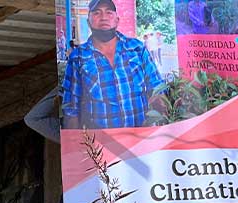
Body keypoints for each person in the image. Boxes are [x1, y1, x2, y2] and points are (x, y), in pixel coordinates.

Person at [61, 0, 165, 129]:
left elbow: (157, 87)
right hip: (100, 143)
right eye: (97, 13)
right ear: (88, 22)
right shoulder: (78, 56)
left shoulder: (136, 48)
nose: (103, 17)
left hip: (140, 138)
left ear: (117, 20)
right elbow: (71, 108)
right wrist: (75, 144)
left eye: (109, 12)